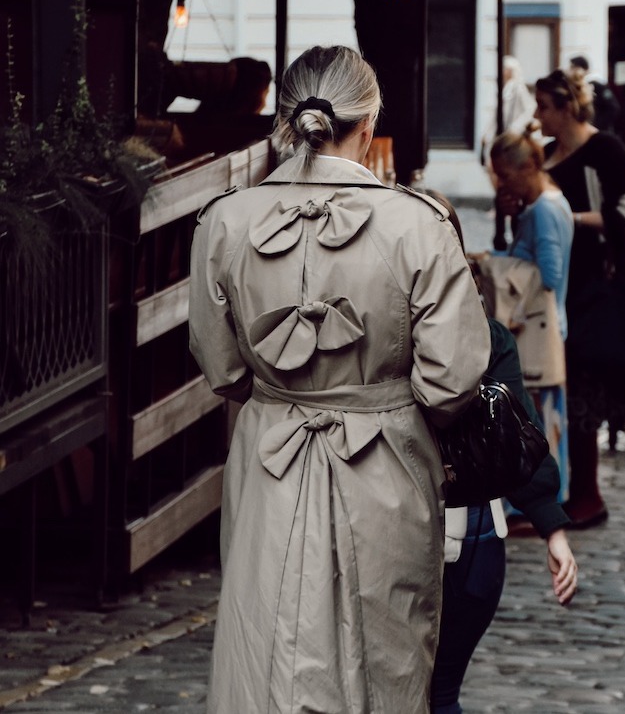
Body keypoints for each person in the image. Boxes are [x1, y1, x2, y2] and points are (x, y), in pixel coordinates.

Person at [189, 45, 490, 713]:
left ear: (290, 117)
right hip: (385, 460)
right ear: (369, 118)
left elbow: (221, 366)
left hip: (270, 451)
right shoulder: (419, 223)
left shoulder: (224, 221)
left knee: (264, 644)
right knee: (384, 653)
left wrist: (286, 389)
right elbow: (451, 378)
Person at [426, 195, 578, 714]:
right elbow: (518, 434)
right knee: (438, 694)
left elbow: (516, 436)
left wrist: (553, 526)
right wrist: (552, 530)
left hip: (455, 538)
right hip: (466, 542)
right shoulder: (485, 334)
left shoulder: (482, 339)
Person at [538, 68, 625, 529]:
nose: (537, 116)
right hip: (554, 288)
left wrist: (571, 219)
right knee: (557, 388)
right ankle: (564, 489)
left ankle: (588, 493)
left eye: (544, 107)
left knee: (585, 390)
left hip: (596, 285)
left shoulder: (606, 150)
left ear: (565, 108)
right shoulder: (543, 156)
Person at [489, 127, 574, 502]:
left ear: (527, 168)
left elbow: (548, 275)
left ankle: (543, 500)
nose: (502, 184)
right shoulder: (544, 204)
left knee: (537, 420)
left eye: (505, 176)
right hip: (546, 324)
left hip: (539, 328)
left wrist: (503, 267)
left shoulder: (543, 211)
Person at [568, 55, 619, 134]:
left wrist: (597, 124)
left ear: (581, 69)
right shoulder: (575, 87)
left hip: (598, 132)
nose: (570, 71)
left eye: (572, 67)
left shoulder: (597, 85)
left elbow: (613, 108)